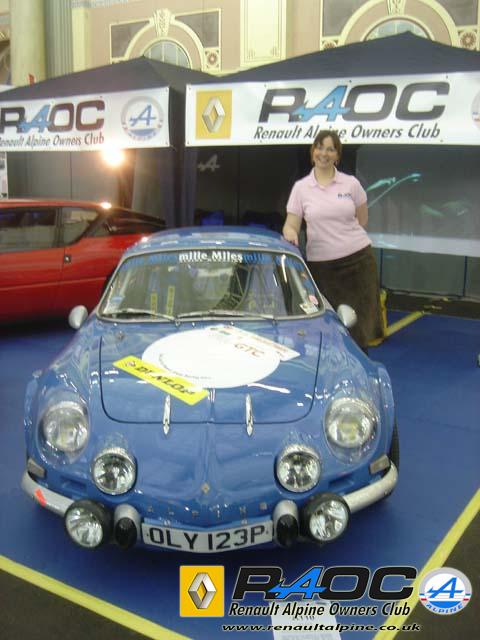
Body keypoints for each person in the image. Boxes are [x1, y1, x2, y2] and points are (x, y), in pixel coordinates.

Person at [283, 130, 383, 351]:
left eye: (330, 149)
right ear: (313, 152)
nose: (324, 154)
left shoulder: (351, 184)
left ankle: (359, 368)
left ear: (337, 155)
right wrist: (290, 232)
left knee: (359, 332)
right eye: (320, 148)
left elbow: (362, 220)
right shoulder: (301, 188)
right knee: (328, 329)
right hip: (322, 270)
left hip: (358, 264)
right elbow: (291, 224)